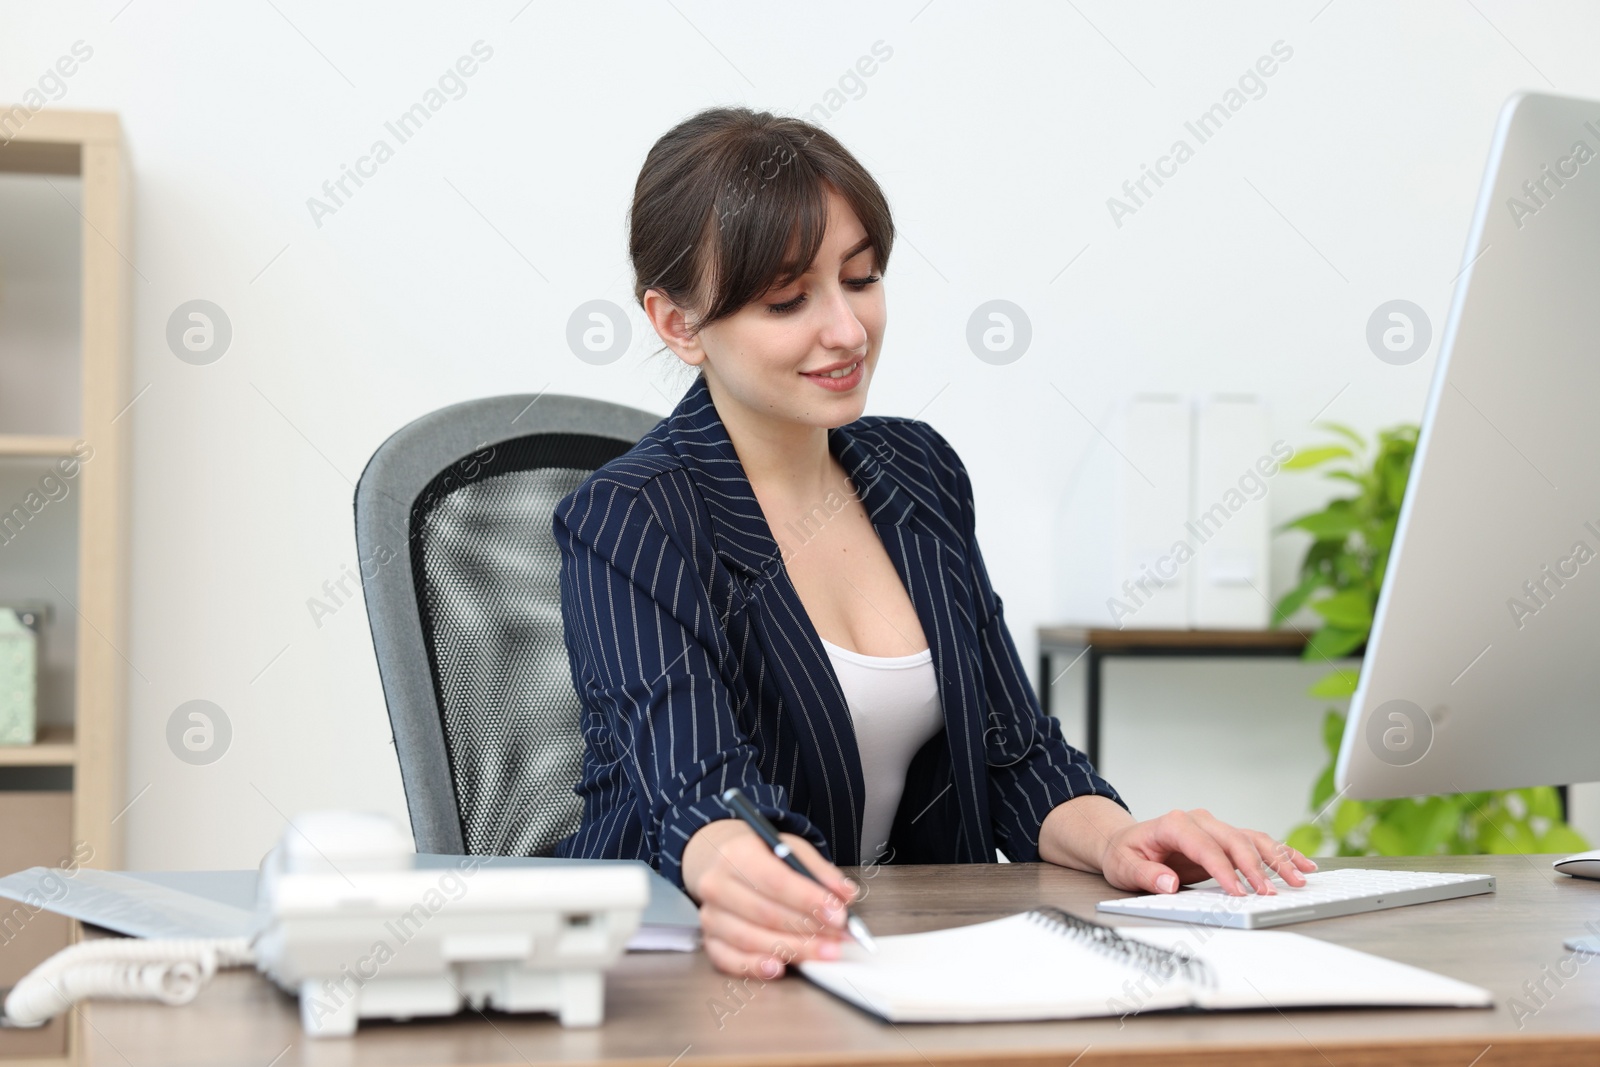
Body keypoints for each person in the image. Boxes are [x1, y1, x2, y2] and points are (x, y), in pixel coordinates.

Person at [552, 106, 1315, 979]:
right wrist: (743, 865)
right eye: (788, 299)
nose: (846, 331)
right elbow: (696, 794)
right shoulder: (629, 516)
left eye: (862, 278)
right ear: (678, 323)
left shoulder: (915, 471)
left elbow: (1013, 753)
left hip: (898, 959)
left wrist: (1124, 840)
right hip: (682, 973)